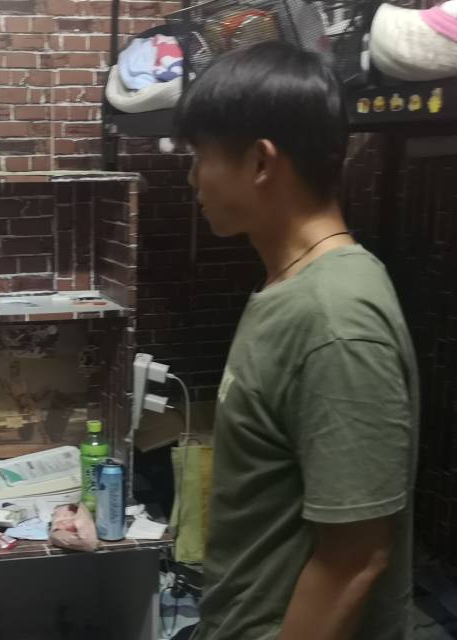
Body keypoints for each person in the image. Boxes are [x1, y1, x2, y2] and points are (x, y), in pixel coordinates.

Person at [174, 41, 418, 640]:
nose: (192, 177)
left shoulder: (334, 318)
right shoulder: (291, 287)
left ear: (261, 163)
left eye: (200, 156)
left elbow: (355, 558)